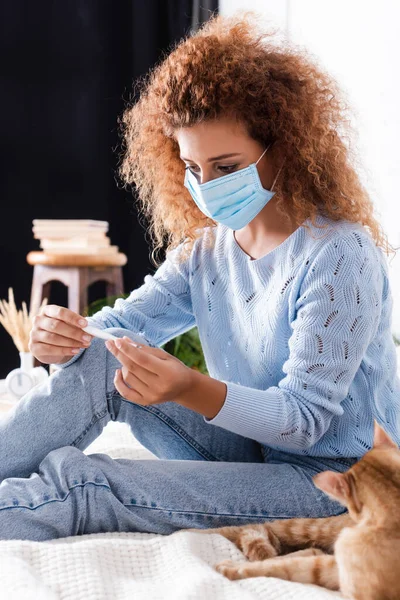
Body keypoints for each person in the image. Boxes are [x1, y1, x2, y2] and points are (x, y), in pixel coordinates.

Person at [0, 13, 399, 541]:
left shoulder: (339, 256)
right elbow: (119, 328)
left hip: (334, 484)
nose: (205, 187)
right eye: (193, 167)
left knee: (87, 484)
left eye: (227, 167)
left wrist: (188, 386)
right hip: (251, 452)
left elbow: (304, 421)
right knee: (104, 357)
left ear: (282, 148)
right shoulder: (209, 250)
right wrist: (66, 336)